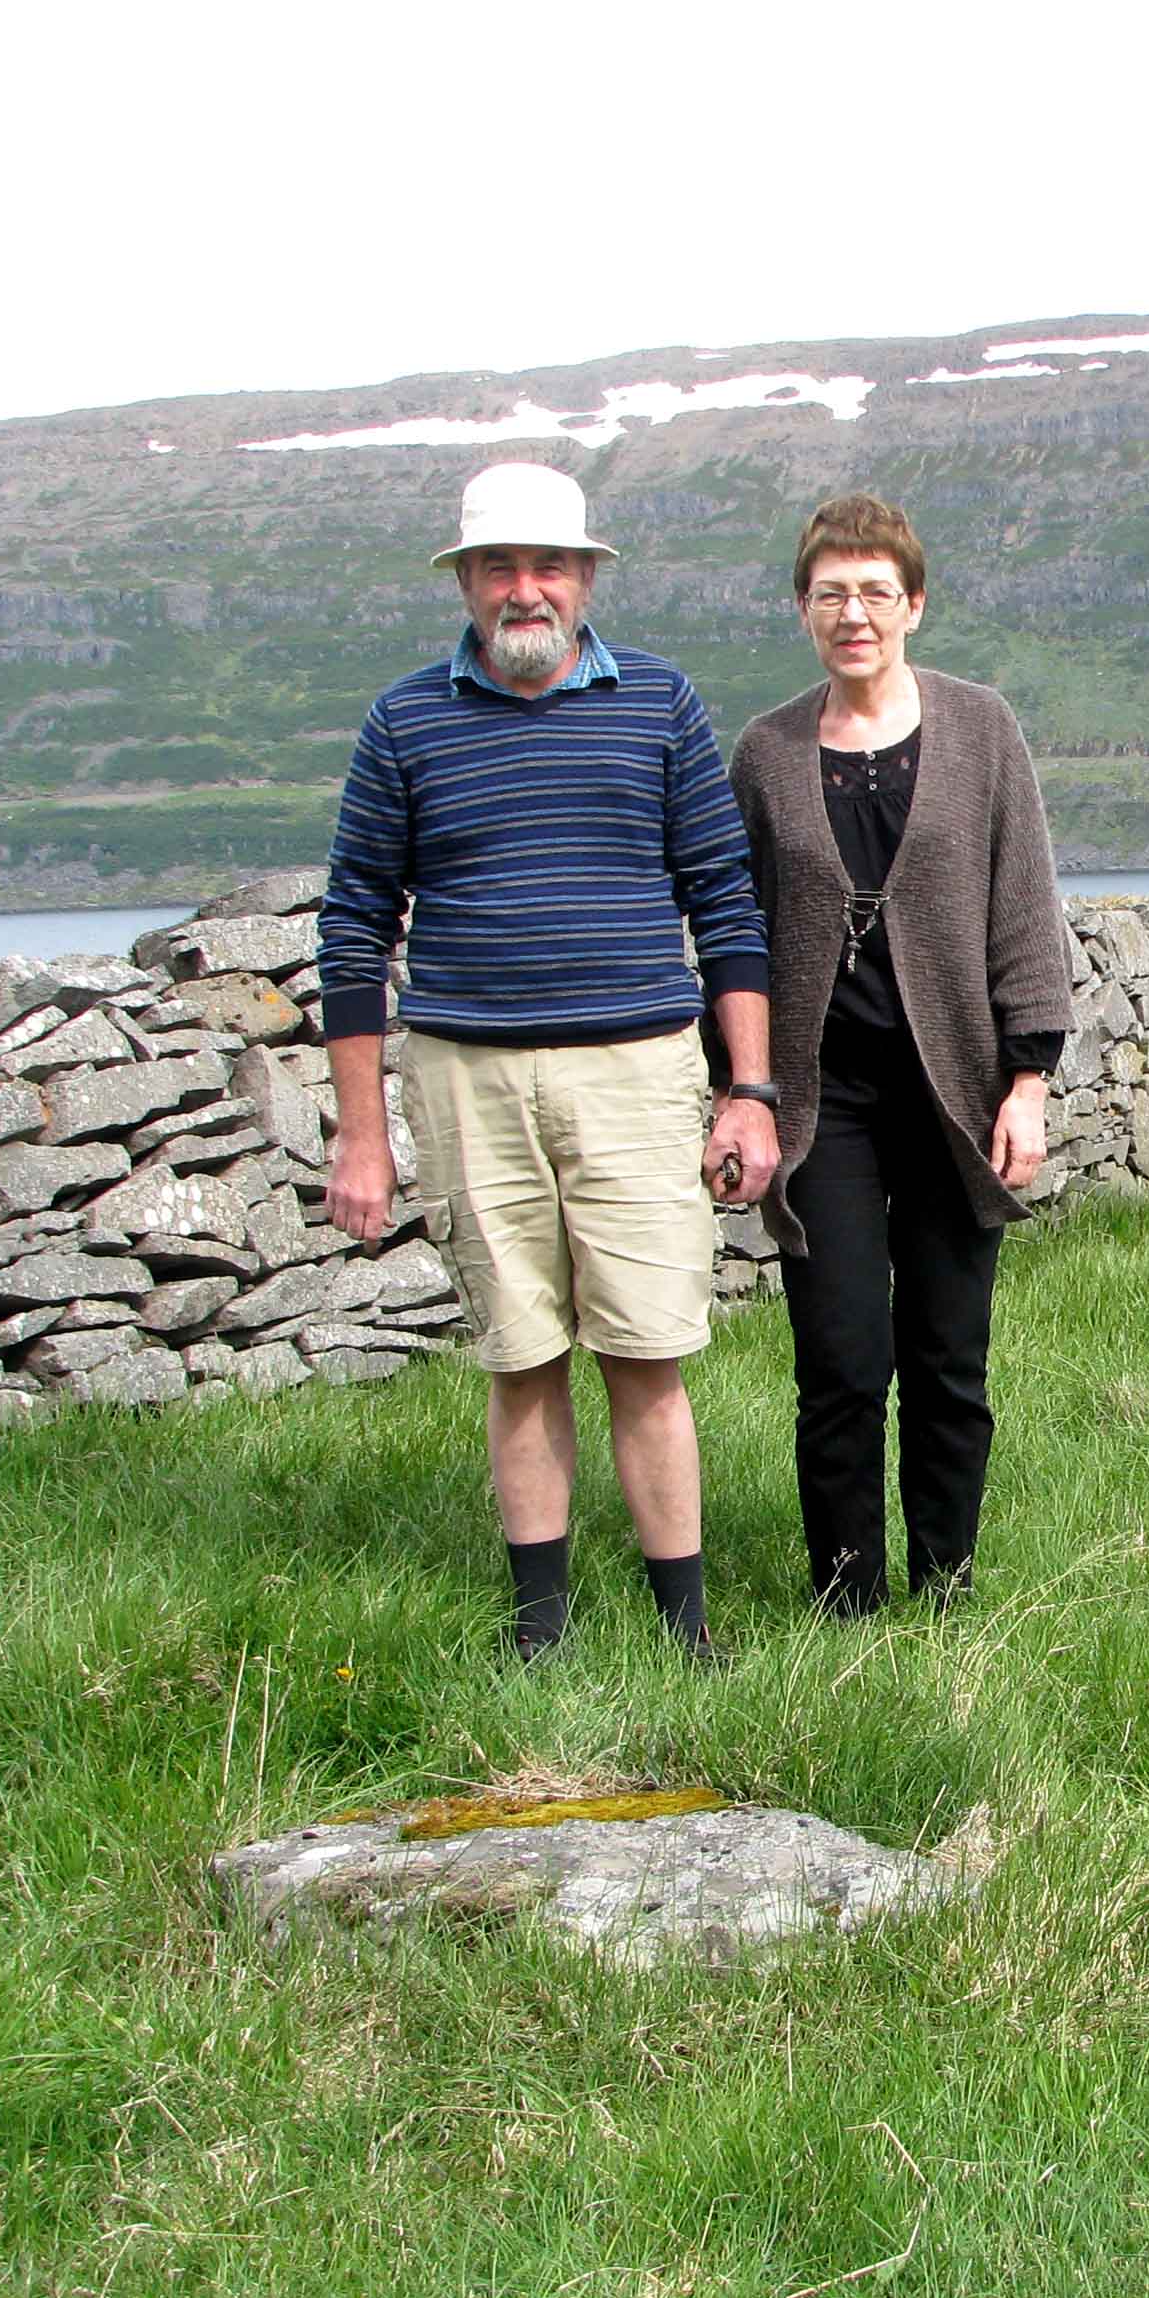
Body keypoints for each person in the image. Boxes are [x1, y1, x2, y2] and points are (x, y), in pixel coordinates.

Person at [317, 461, 780, 1662]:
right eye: (499, 568)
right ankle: (540, 1639)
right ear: (466, 583)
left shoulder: (662, 704)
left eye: (548, 567)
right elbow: (355, 924)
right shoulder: (402, 720)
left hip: (638, 1071)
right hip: (469, 1079)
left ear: (585, 578)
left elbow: (725, 901)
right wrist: (361, 1134)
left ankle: (689, 1635)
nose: (525, 589)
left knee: (646, 1352)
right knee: (521, 1359)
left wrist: (749, 1092)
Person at [727, 495, 1075, 1620]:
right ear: (803, 610)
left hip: (955, 1089)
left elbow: (1023, 907)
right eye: (831, 593)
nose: (854, 613)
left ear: (914, 605)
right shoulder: (769, 753)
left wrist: (1026, 1081)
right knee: (838, 1363)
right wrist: (744, 1093)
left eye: (876, 591)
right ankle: (846, 1607)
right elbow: (736, 928)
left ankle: (946, 1595)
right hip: (823, 1104)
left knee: (947, 1362)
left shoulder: (982, 730)